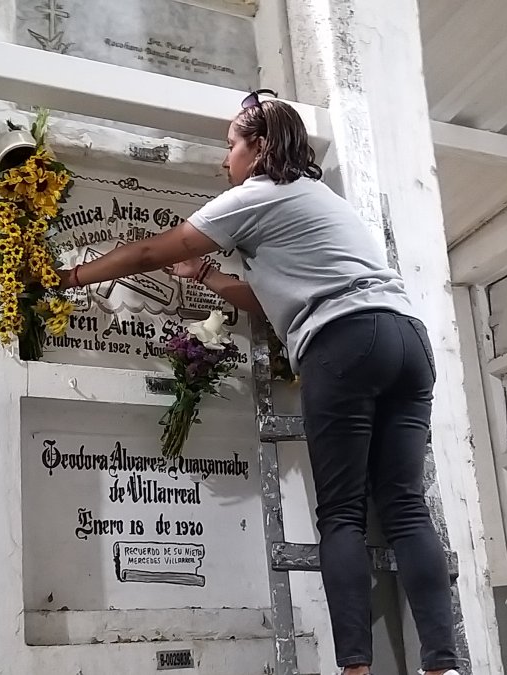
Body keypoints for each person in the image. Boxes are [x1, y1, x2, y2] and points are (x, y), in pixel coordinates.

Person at [59, 90, 460, 675]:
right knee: (405, 508)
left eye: (231, 146)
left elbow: (149, 249)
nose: (226, 160)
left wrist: (69, 275)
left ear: (260, 147)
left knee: (342, 515)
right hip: (407, 339)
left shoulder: (254, 195)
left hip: (343, 342)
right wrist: (207, 276)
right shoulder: (316, 197)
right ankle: (443, 666)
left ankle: (355, 667)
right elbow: (268, 301)